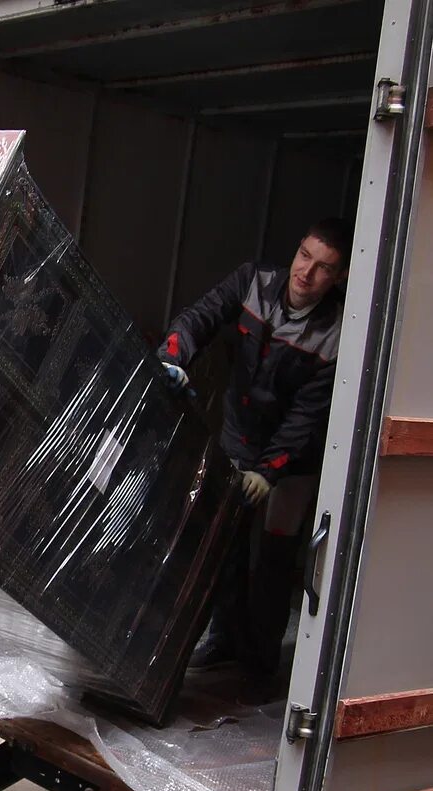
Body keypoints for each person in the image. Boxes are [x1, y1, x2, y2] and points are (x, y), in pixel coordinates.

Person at [158, 218, 352, 679]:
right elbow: (200, 317)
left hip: (292, 461)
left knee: (274, 553)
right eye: (304, 255)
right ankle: (224, 639)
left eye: (323, 267)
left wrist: (269, 471)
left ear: (339, 278)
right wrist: (172, 357)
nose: (306, 273)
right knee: (224, 538)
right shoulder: (252, 282)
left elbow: (307, 416)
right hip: (239, 435)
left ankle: (259, 661)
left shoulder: (340, 330)